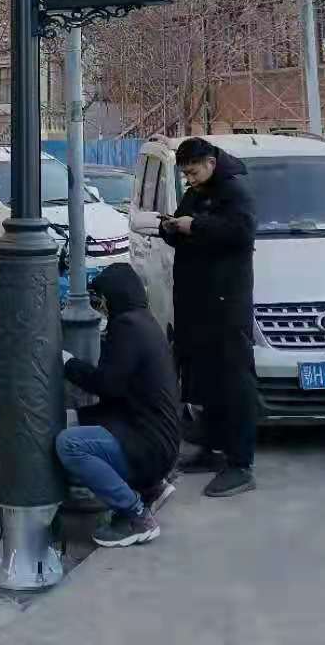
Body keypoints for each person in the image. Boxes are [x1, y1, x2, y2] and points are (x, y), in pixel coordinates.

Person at [57, 261, 181, 548]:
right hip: (158, 440)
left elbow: (107, 385)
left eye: (103, 300)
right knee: (70, 420)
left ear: (115, 297)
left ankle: (136, 515)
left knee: (69, 444)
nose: (101, 308)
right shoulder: (144, 322)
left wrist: (68, 364)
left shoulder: (126, 327)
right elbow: (122, 394)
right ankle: (152, 488)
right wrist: (77, 415)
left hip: (149, 446)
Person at [160, 136, 257, 498]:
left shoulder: (234, 190)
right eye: (185, 174)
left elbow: (242, 231)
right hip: (197, 304)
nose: (189, 179)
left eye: (193, 172)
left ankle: (240, 464)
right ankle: (211, 448)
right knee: (204, 380)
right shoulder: (196, 192)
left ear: (211, 163)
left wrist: (195, 226)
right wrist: (170, 228)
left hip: (226, 303)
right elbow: (187, 229)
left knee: (233, 381)